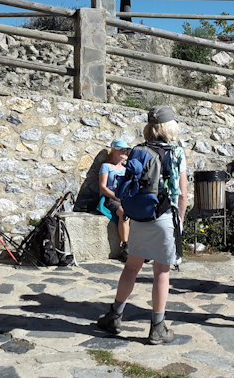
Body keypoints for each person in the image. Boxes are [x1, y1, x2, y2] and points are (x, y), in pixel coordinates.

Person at [97, 106, 188, 345]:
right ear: (170, 127)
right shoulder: (176, 152)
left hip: (139, 215)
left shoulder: (138, 150)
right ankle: (157, 327)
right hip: (165, 217)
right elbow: (183, 195)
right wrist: (179, 220)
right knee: (162, 272)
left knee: (131, 268)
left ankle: (115, 316)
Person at [99, 138, 130, 261]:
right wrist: (116, 197)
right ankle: (125, 246)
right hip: (111, 198)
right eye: (122, 149)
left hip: (125, 198)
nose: (125, 152)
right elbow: (102, 187)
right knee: (124, 212)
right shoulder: (106, 166)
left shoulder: (127, 168)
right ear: (114, 150)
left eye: (126, 150)